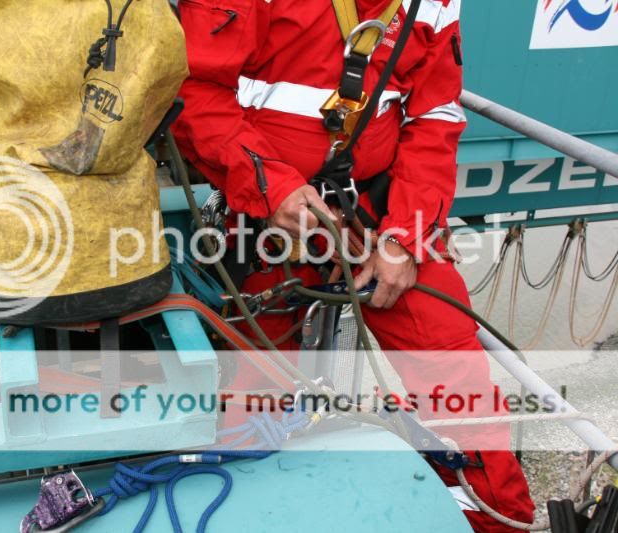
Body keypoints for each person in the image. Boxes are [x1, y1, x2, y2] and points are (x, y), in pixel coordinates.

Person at [171, 0, 535, 531]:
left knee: (451, 366)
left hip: (379, 207)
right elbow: (193, 90)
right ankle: (250, 511)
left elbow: (434, 113)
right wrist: (271, 188)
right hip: (269, 214)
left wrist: (406, 239)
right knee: (256, 387)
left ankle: (497, 520)